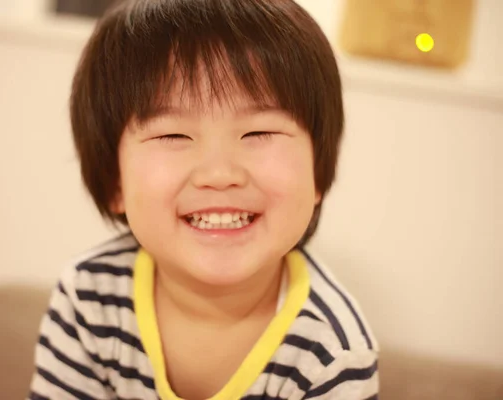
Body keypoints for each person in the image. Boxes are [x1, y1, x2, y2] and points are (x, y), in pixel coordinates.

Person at [28, 0, 379, 398]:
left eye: (258, 133)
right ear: (115, 182)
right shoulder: (89, 296)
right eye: (172, 136)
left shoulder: (333, 351)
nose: (220, 174)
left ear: (317, 171)